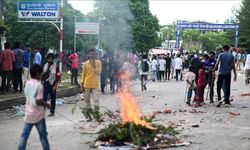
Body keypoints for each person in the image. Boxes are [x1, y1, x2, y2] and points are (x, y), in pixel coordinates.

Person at [18, 64, 51, 150]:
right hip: (38, 115)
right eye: (41, 74)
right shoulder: (39, 86)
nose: (41, 75)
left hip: (28, 114)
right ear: (37, 74)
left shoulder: (27, 84)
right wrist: (47, 104)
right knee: (43, 136)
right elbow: (38, 101)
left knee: (24, 136)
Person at [81, 48, 102, 121]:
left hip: (95, 85)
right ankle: (88, 116)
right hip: (87, 84)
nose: (91, 55)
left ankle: (96, 116)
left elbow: (98, 72)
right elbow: (83, 75)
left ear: (95, 55)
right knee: (87, 102)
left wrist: (93, 65)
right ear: (88, 55)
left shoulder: (98, 63)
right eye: (90, 54)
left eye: (93, 54)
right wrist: (82, 85)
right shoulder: (85, 64)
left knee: (96, 101)